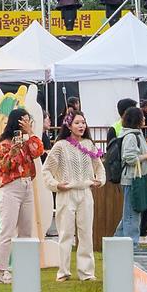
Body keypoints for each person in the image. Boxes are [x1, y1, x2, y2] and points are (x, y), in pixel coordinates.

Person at [45, 111, 102, 281]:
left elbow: (98, 166)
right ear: (69, 126)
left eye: (83, 122)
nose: (81, 126)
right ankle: (63, 271)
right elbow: (46, 169)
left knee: (86, 233)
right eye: (77, 123)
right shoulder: (60, 146)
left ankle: (86, 272)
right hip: (66, 193)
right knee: (65, 233)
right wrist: (56, 185)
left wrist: (99, 180)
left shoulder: (89, 145)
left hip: (85, 193)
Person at [0, 109, 43, 284]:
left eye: (29, 121)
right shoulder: (5, 143)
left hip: (27, 185)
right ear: (17, 122)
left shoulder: (28, 141)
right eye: (25, 121)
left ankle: (24, 268)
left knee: (26, 230)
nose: (28, 124)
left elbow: (39, 150)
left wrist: (30, 134)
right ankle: (2, 270)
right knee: (7, 229)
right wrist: (15, 149)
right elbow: (4, 167)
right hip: (10, 188)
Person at [113, 99, 147, 247]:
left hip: (136, 177)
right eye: (142, 117)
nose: (144, 119)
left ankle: (117, 242)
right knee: (132, 214)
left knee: (129, 212)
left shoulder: (135, 134)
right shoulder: (131, 136)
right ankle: (131, 245)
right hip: (131, 179)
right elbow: (129, 158)